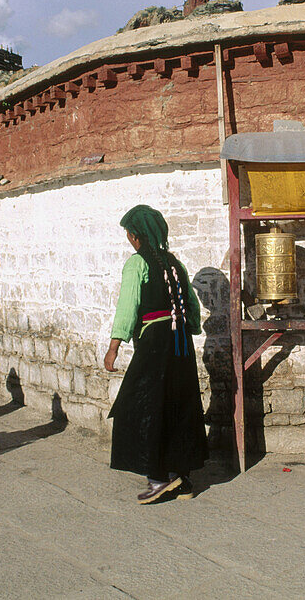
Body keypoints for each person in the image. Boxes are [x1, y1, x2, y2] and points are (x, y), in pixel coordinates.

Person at [103, 205, 208, 504]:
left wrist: (114, 347)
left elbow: (128, 306)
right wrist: (189, 330)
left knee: (141, 405)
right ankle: (182, 478)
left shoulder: (137, 264)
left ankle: (158, 479)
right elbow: (191, 304)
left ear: (137, 236)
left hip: (154, 343)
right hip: (180, 343)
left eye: (128, 233)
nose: (128, 238)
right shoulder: (175, 264)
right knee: (178, 403)